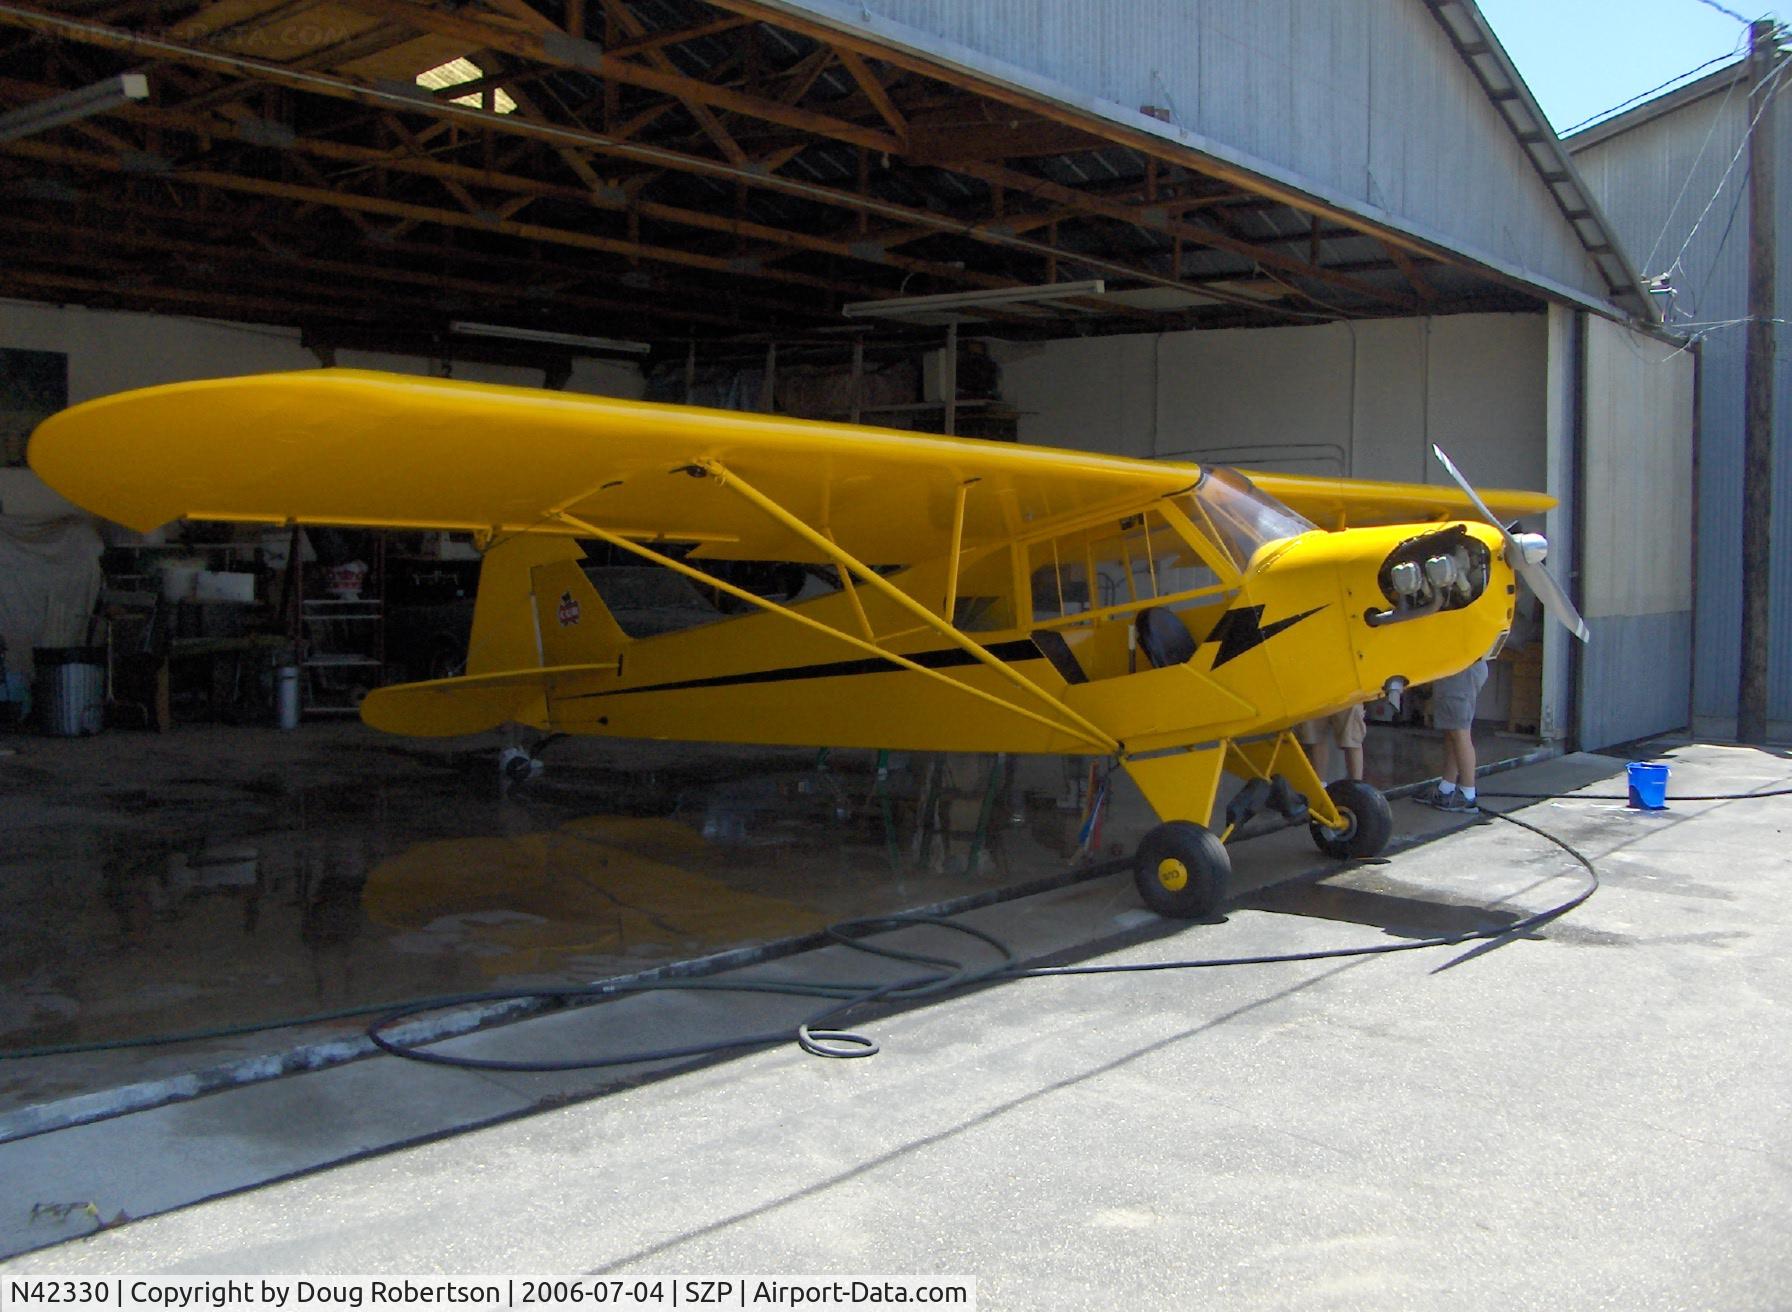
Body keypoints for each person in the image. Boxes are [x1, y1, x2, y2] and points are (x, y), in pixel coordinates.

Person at [1417, 657, 1489, 812]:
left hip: (1461, 670)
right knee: (1452, 732)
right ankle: (1446, 788)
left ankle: (1467, 795)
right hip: (1460, 669)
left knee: (1460, 733)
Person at [1297, 703, 1366, 782]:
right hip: (1313, 694)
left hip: (1347, 693)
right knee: (1314, 737)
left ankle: (1357, 787)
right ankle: (1320, 787)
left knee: (1352, 737)